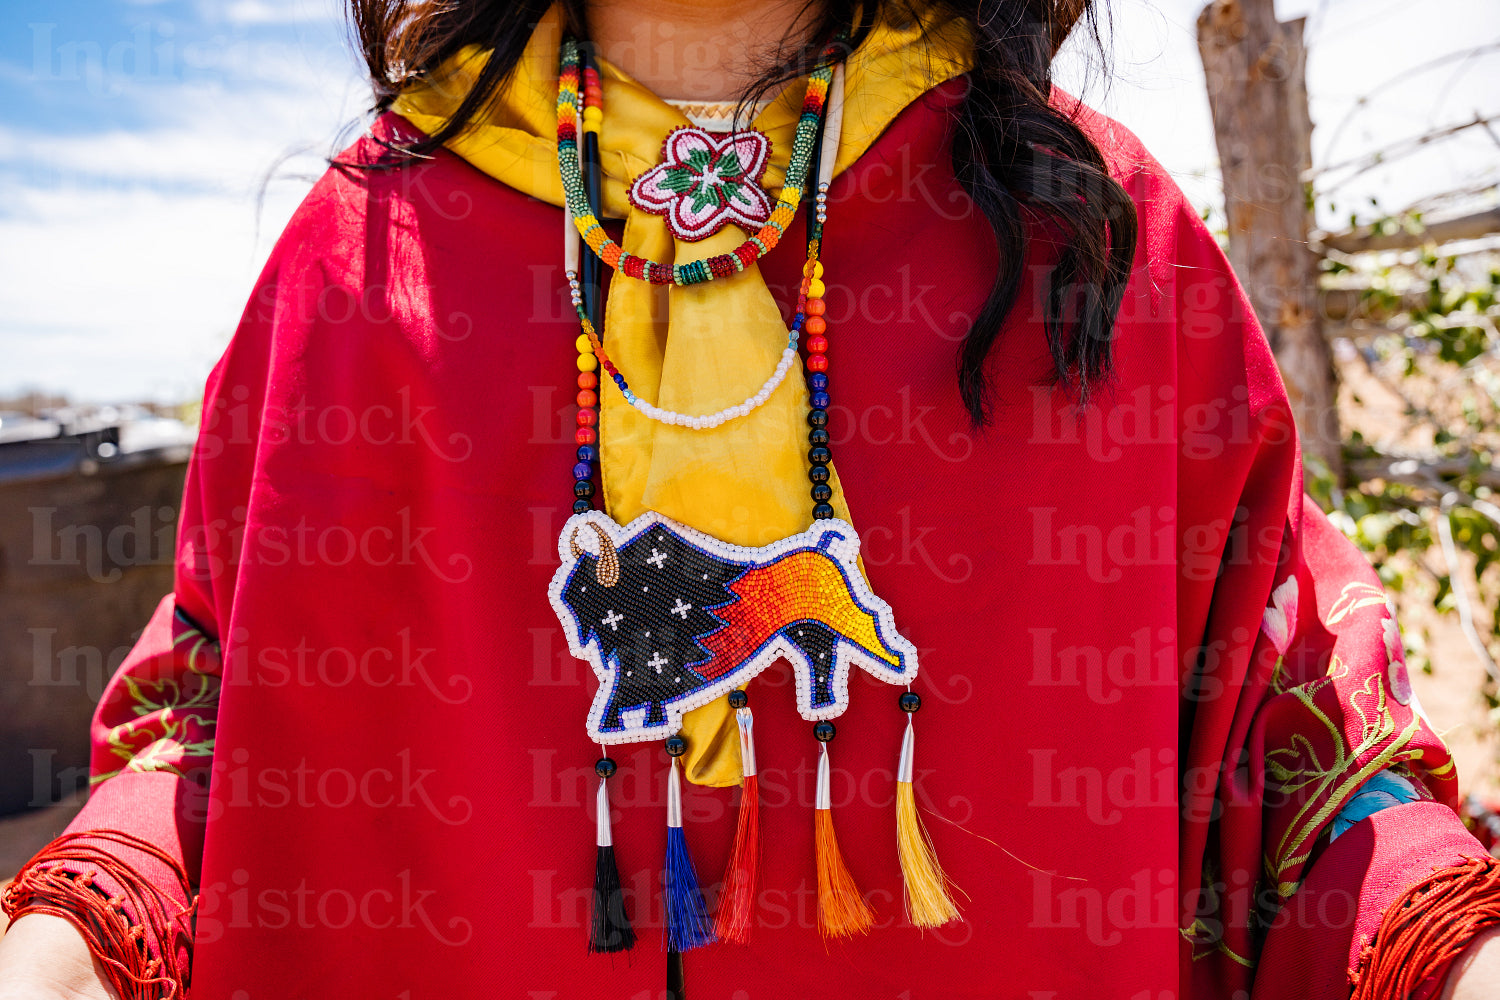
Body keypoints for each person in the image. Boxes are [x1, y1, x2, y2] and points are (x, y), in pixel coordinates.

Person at [2, 1, 1498, 997]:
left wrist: (1446, 946)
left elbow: (1295, 760)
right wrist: (69, 945)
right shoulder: (360, 263)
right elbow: (210, 736)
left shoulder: (1100, 243)